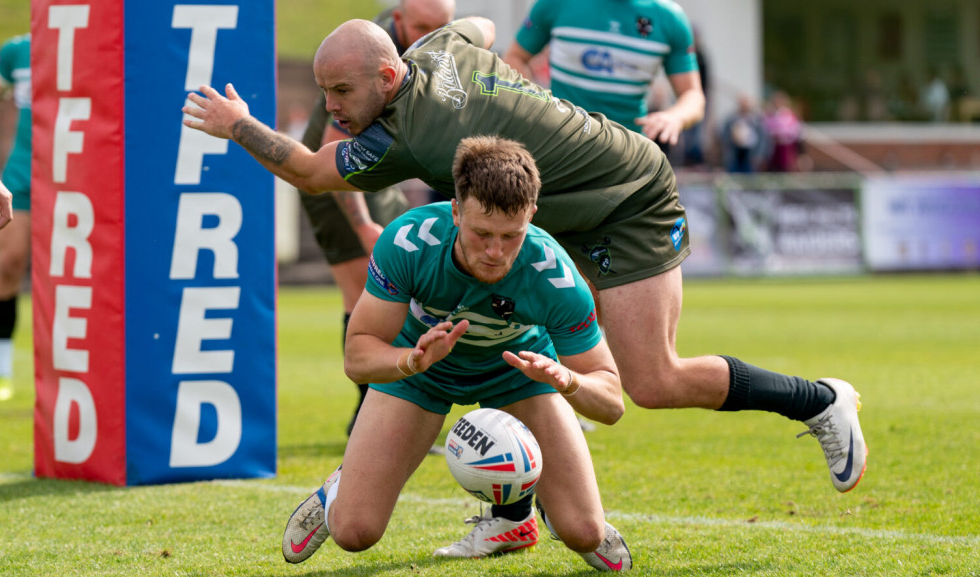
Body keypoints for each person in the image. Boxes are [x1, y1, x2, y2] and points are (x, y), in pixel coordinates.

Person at [183, 18, 868, 498]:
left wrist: (235, 125)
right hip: (549, 206)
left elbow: (308, 170)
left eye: (342, 94)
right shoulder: (434, 49)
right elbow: (478, 26)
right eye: (326, 93)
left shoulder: (413, 141)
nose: (332, 111)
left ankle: (820, 400)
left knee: (652, 380)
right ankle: (510, 512)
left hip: (625, 196)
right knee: (513, 336)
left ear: (389, 76)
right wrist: (513, 89)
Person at [281, 136, 632, 571]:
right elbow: (357, 357)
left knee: (585, 533)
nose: (495, 251)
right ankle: (338, 487)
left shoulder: (555, 275)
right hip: (421, 372)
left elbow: (612, 402)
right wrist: (411, 359)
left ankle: (529, 515)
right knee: (355, 532)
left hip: (520, 375)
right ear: (455, 210)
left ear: (532, 217)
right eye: (481, 233)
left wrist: (567, 380)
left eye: (511, 236)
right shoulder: (409, 242)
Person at [298, 0, 456, 434]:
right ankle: (368, 423)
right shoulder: (363, 52)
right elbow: (334, 150)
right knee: (365, 303)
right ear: (399, 20)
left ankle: (385, 418)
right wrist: (364, 225)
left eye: (441, 27)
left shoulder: (428, 52)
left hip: (375, 178)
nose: (431, 34)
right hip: (335, 186)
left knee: (403, 301)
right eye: (422, 25)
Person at [503, 0, 705, 148]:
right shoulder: (555, 3)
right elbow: (514, 57)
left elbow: (693, 96)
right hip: (560, 145)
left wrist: (675, 117)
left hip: (629, 151)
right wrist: (535, 106)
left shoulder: (670, 17)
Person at [0, 33, 30, 402]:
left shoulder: (105, 41)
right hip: (24, 175)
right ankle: (1, 373)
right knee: (9, 264)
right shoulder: (18, 50)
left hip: (86, 180)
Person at [720, 94, 768, 174]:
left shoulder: (756, 120)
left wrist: (760, 155)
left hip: (751, 154)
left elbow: (763, 138)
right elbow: (724, 135)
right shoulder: (732, 119)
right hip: (735, 152)